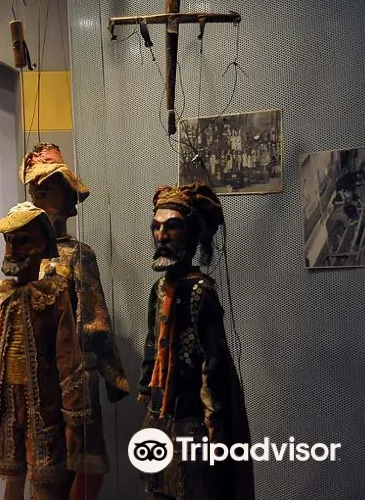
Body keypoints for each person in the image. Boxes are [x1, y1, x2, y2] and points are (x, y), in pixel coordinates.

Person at [21, 143, 129, 500]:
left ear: (66, 199)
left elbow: (94, 318)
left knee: (83, 456)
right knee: (44, 460)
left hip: (75, 374)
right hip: (38, 376)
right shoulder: (27, 257)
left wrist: (109, 374)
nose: (39, 198)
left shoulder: (79, 254)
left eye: (47, 190)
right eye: (35, 191)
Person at [137, 184, 254, 500]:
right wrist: (147, 391)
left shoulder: (201, 290)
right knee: (158, 488)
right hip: (162, 413)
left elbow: (212, 359)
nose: (162, 236)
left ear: (191, 233)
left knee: (195, 487)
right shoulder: (159, 289)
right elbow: (152, 342)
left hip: (194, 416)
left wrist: (214, 420)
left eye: (172, 227)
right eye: (156, 227)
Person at [0, 202, 92, 500]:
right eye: (9, 241)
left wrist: (74, 420)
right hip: (4, 410)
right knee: (12, 483)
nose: (13, 249)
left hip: (44, 410)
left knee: (45, 486)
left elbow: (69, 361)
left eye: (23, 240)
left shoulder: (54, 294)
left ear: (42, 245)